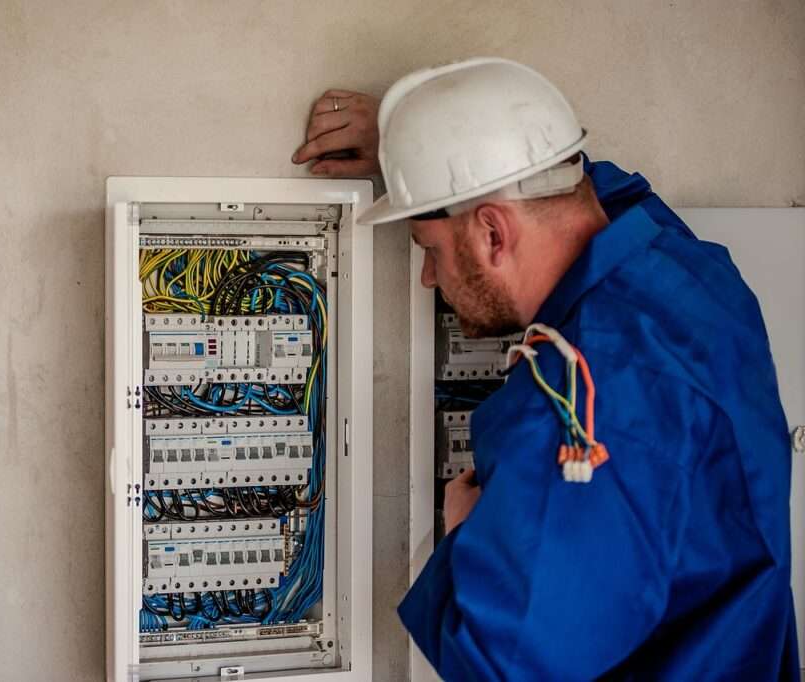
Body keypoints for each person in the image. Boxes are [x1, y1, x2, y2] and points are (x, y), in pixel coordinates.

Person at [293, 58, 799, 680]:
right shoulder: (693, 274)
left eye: (430, 250)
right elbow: (590, 187)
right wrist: (418, 149)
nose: (429, 277)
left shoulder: (585, 401)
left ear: (493, 234)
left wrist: (467, 540)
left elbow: (506, 662)